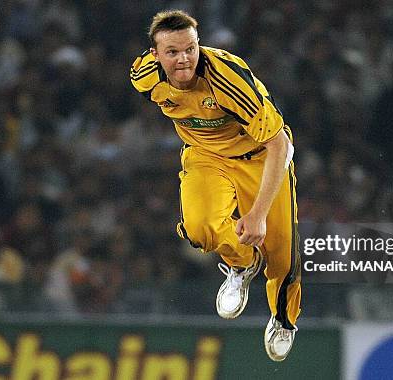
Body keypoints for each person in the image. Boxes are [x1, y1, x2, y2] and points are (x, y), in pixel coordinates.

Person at [130, 10, 301, 361]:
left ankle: (283, 320)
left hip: (259, 155)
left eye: (190, 48)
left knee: (281, 254)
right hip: (206, 155)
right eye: (173, 52)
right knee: (200, 228)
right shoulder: (142, 76)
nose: (184, 59)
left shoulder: (227, 80)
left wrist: (257, 214)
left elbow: (279, 145)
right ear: (155, 55)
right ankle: (241, 264)